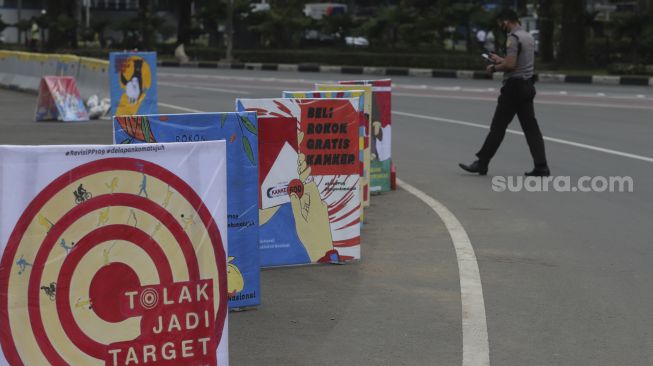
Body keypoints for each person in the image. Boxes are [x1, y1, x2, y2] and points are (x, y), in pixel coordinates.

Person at [459, 9, 550, 177]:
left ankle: (482, 163)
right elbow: (517, 62)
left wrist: (493, 67)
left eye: (501, 23)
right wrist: (501, 60)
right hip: (527, 85)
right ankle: (541, 166)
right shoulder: (528, 37)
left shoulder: (513, 38)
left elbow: (511, 66)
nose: (501, 27)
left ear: (507, 21)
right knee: (531, 128)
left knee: (498, 127)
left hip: (513, 88)